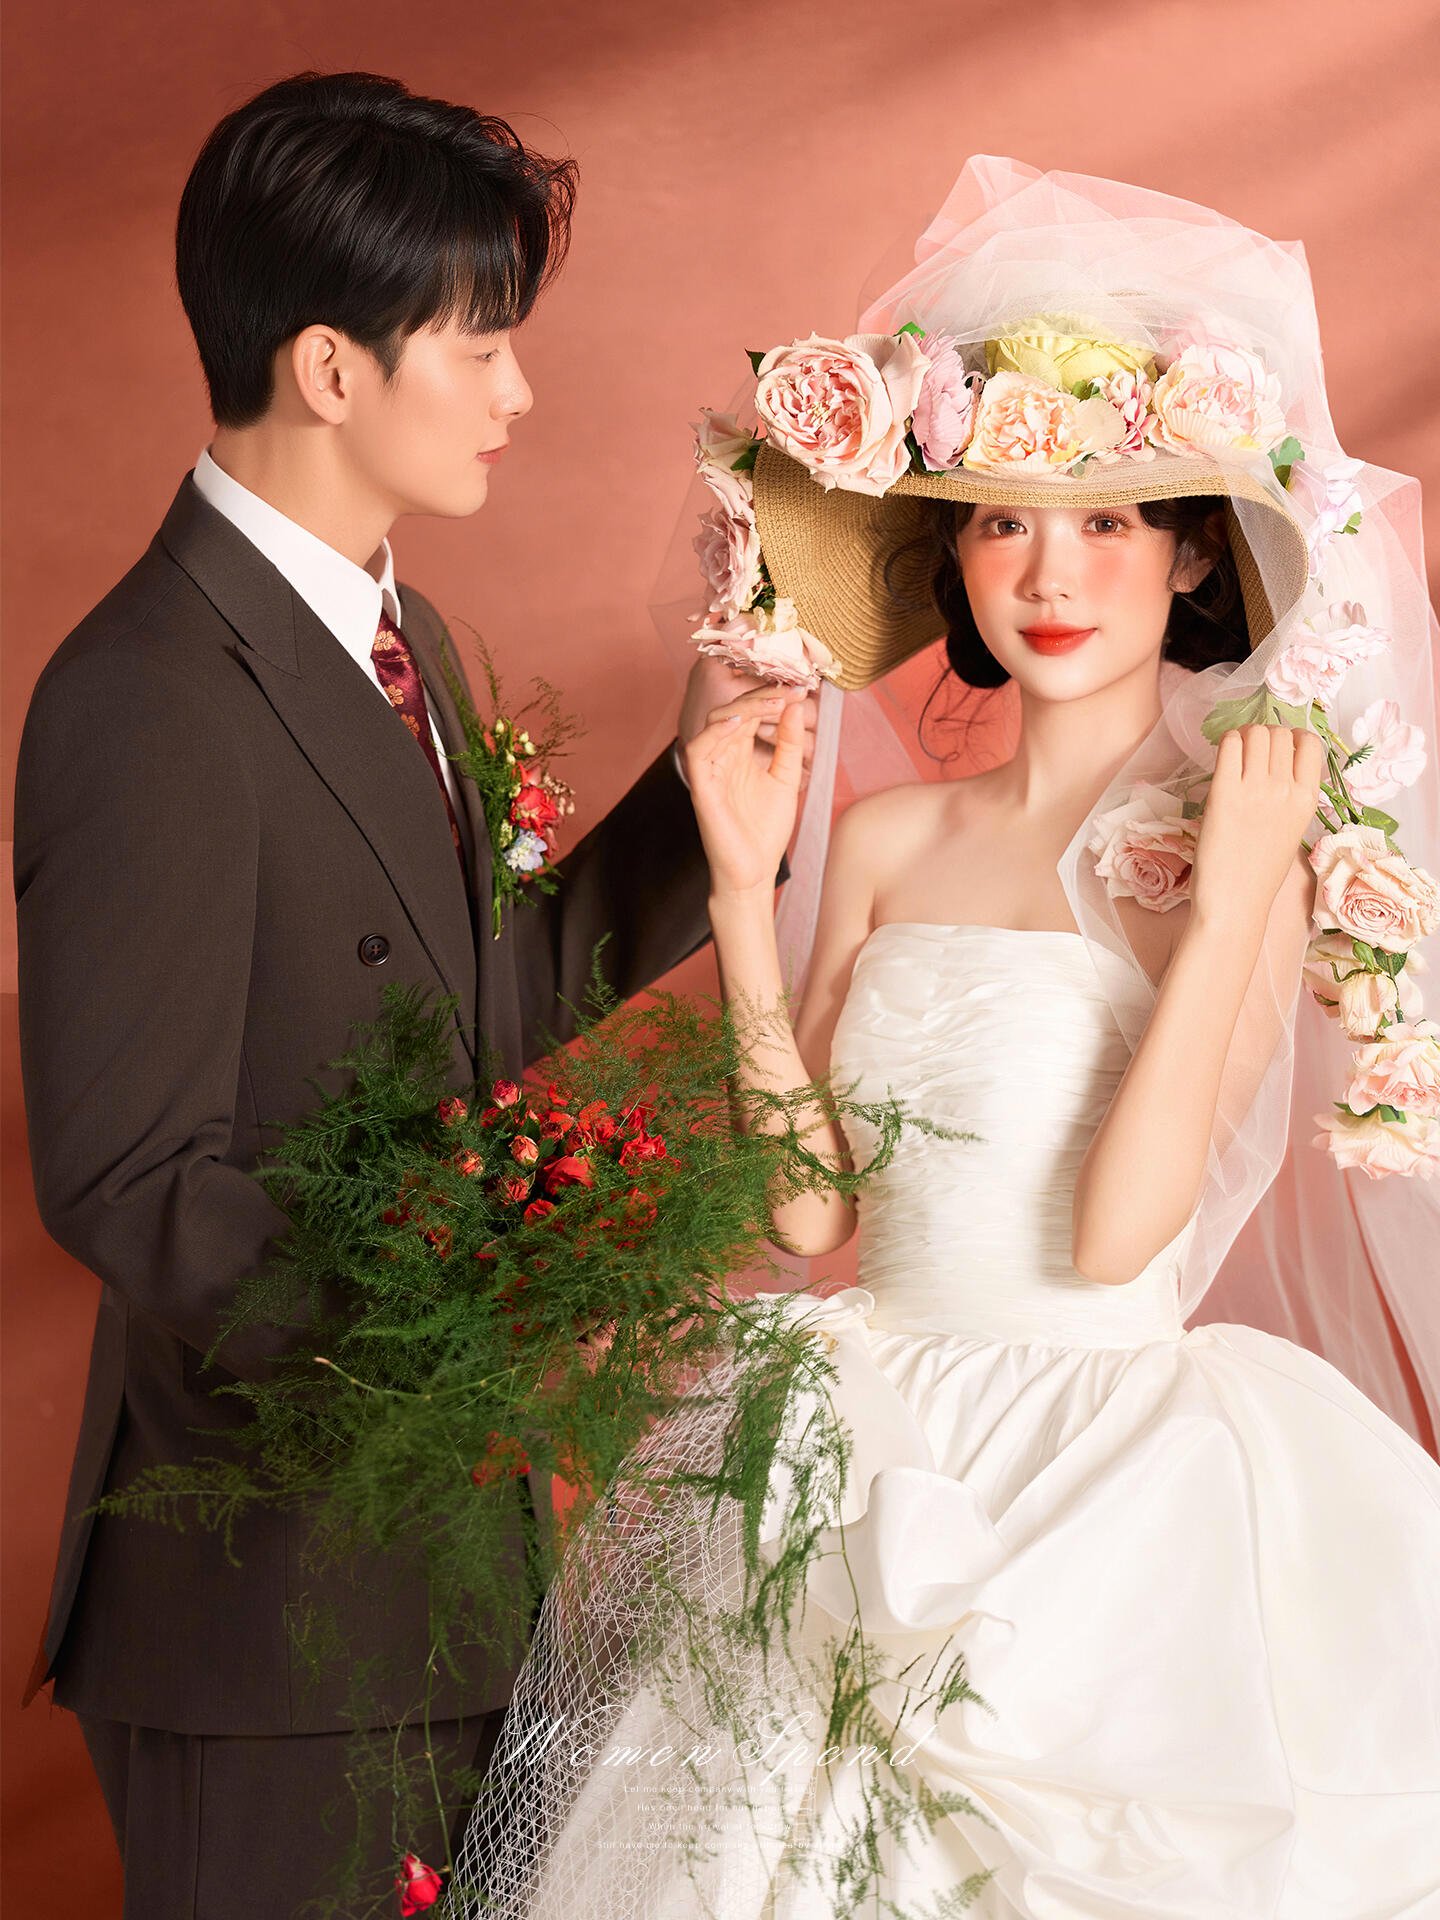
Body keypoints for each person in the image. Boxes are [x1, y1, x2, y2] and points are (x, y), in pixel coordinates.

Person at [456, 159, 1440, 1918]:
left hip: (1107, 1481)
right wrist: (744, 897)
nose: (1048, 574)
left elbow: (1119, 1240)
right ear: (952, 556)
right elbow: (810, 1216)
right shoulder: (889, 842)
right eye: (999, 523)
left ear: (1193, 551)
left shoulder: (1234, 860)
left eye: (1108, 524)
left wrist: (1230, 910)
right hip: (870, 1448)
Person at [12, 70, 810, 1919]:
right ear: (330, 367)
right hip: (268, 1605)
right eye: (482, 342)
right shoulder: (143, 692)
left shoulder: (404, 637)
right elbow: (126, 1180)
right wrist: (464, 1301)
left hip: (442, 1567)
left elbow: (470, 1003)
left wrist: (702, 809)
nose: (520, 393)